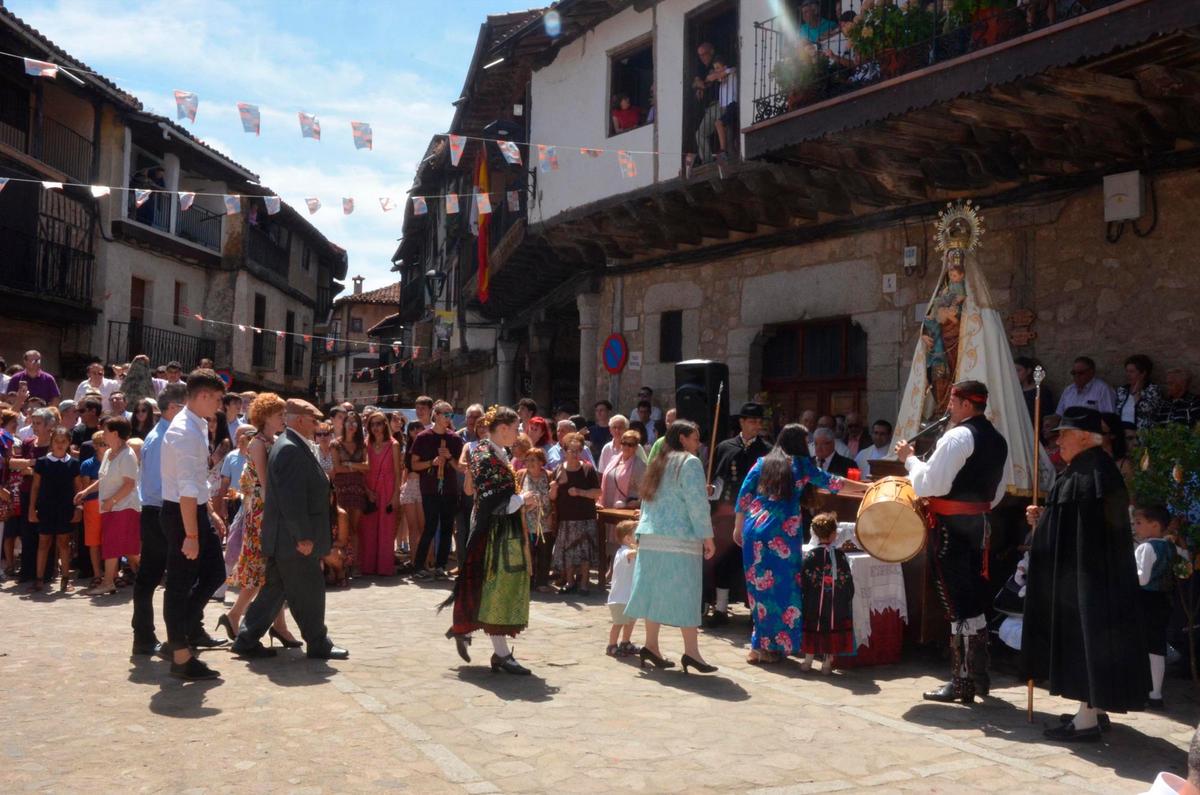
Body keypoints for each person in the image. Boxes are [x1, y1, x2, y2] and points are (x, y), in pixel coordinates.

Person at [1022, 406, 1149, 741]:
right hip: (1090, 578)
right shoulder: (1089, 470)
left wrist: (1044, 523)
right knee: (1090, 643)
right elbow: (1067, 527)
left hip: (1087, 580)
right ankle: (1092, 709)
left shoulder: (1090, 473)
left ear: (1082, 437)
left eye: (1063, 434)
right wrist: (1043, 520)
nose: (1058, 441)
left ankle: (1087, 720)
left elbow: (1081, 536)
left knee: (1088, 643)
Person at [895, 380, 1008, 704]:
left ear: (965, 405)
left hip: (952, 531)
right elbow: (997, 492)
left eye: (953, 402)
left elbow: (931, 485)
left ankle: (961, 683)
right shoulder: (998, 440)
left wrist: (909, 459)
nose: (948, 408)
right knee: (974, 600)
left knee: (957, 604)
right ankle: (978, 676)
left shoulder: (958, 436)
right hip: (981, 527)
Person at [734, 425, 862, 663]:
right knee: (784, 589)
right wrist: (865, 487)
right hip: (781, 530)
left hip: (754, 528)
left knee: (758, 591)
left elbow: (744, 494)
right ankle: (776, 645)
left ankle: (758, 647)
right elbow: (833, 482)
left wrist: (738, 526)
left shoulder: (763, 462)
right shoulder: (801, 465)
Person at [232, 400, 348, 662]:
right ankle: (319, 643)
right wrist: (303, 536)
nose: (318, 425)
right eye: (313, 420)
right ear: (300, 421)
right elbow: (291, 500)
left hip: (286, 539)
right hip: (293, 540)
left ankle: (246, 639)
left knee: (275, 590)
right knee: (310, 591)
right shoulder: (289, 449)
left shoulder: (291, 445)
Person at [441, 406, 532, 675]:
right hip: (492, 534)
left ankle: (494, 648)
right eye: (516, 428)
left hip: (502, 532)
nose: (518, 434)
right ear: (502, 428)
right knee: (494, 589)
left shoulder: (496, 452)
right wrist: (522, 500)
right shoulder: (484, 455)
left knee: (488, 589)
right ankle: (501, 653)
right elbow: (493, 500)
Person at [624, 420, 717, 674]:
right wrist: (707, 536)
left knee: (653, 592)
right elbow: (696, 503)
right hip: (680, 539)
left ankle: (651, 645)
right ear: (683, 439)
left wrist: (640, 534)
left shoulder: (658, 462)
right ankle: (691, 652)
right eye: (695, 439)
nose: (698, 444)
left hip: (653, 536)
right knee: (686, 593)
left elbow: (647, 502)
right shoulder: (689, 463)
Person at [160, 368, 232, 681]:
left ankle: (181, 633)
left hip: (193, 510)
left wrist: (209, 513)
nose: (219, 405)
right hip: (181, 513)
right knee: (178, 583)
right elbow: (186, 489)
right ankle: (179, 654)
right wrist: (191, 534)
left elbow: (196, 483)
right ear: (202, 395)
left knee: (214, 572)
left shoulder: (198, 424)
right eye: (216, 398)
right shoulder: (185, 432)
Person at [220, 394, 299, 647]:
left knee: (267, 572)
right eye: (279, 415)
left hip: (264, 511)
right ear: (265, 417)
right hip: (262, 513)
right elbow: (265, 486)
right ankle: (252, 621)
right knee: (262, 570)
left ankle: (268, 624)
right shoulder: (258, 444)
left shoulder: (271, 440)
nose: (283, 419)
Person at [129, 383, 187, 656]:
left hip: (157, 510)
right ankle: (147, 636)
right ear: (173, 408)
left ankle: (147, 636)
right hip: (159, 511)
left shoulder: (164, 435)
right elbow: (155, 485)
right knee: (153, 577)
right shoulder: (163, 438)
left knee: (152, 577)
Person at [709, 402, 773, 626]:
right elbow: (716, 478)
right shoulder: (725, 447)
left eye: (759, 422)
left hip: (756, 515)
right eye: (752, 421)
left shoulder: (767, 450)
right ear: (742, 422)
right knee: (725, 560)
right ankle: (720, 608)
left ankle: (755, 614)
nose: (757, 425)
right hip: (727, 513)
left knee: (755, 563)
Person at [75, 416, 141, 596]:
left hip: (124, 507)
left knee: (113, 544)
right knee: (127, 547)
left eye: (105, 430)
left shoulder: (127, 455)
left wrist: (112, 501)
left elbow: (129, 484)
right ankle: (147, 573)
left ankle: (108, 582)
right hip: (109, 507)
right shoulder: (107, 453)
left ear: (115, 433)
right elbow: (102, 479)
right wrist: (86, 491)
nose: (102, 433)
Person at [411, 401, 465, 580]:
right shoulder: (423, 437)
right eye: (446, 414)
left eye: (451, 415)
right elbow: (414, 464)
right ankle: (419, 565)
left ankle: (441, 566)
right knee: (430, 526)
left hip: (449, 489)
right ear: (437, 415)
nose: (449, 418)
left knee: (447, 527)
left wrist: (449, 458)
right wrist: (431, 462)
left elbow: (460, 467)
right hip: (430, 489)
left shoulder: (455, 439)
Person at [799, 512, 855, 674]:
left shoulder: (810, 556)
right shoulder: (840, 556)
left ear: (815, 533)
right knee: (830, 629)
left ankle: (808, 661)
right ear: (833, 534)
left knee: (813, 626)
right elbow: (847, 581)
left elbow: (803, 580)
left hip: (813, 602)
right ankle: (826, 664)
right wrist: (845, 598)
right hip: (834, 605)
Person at [1134, 505, 1176, 711]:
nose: (1135, 526)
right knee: (1157, 648)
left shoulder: (1146, 547)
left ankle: (1141, 689)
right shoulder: (1169, 546)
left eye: (1139, 522)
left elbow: (1142, 578)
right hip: (1163, 600)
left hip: (1145, 601)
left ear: (1155, 525)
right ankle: (1156, 694)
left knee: (1143, 645)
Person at [28, 426, 79, 592]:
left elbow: (78, 488)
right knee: (44, 542)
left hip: (65, 508)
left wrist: (79, 508)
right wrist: (31, 508)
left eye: (63, 441)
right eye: (56, 441)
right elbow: (35, 487)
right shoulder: (42, 462)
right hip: (46, 508)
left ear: (68, 443)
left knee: (64, 543)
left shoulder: (73, 464)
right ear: (51, 442)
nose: (59, 444)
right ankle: (39, 578)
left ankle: (65, 579)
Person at [550, 432, 601, 595]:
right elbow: (552, 497)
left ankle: (584, 584)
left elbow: (597, 492)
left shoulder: (587, 469)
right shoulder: (558, 470)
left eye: (578, 450)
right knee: (568, 552)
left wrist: (580, 492)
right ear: (564, 451)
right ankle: (570, 582)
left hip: (585, 517)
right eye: (571, 450)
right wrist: (553, 489)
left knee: (585, 552)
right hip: (565, 518)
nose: (574, 454)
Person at [359, 411, 401, 576]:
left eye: (379, 423)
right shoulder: (365, 444)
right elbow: (362, 472)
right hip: (370, 487)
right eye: (372, 424)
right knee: (368, 529)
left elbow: (398, 472)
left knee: (386, 529)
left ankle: (384, 567)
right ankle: (368, 567)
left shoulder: (394, 444)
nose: (376, 427)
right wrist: (367, 491)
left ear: (385, 424)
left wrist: (395, 495)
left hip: (388, 488)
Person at [331, 410, 368, 573]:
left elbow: (368, 467)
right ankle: (342, 563)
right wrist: (356, 467)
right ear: (343, 424)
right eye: (349, 422)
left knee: (354, 527)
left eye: (355, 422)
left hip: (357, 489)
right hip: (341, 489)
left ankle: (354, 565)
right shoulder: (335, 444)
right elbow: (337, 468)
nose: (352, 425)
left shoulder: (363, 444)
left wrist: (350, 465)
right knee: (342, 528)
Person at [516, 446, 554, 593]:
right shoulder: (520, 475)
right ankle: (529, 581)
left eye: (533, 460)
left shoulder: (549, 475)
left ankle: (542, 582)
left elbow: (554, 498)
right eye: (527, 460)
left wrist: (552, 514)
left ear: (541, 462)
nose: (529, 463)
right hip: (526, 520)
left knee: (544, 552)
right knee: (528, 552)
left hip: (545, 520)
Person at [606, 520, 640, 657]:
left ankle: (625, 642)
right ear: (627, 538)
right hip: (619, 598)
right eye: (637, 535)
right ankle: (611, 645)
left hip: (630, 597)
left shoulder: (630, 550)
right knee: (618, 623)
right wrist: (643, 547)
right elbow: (631, 554)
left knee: (630, 621)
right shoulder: (623, 551)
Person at [78, 429, 104, 589]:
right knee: (94, 541)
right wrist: (102, 482)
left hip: (111, 504)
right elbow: (86, 486)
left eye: (107, 444)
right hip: (92, 505)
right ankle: (97, 574)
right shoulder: (87, 464)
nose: (105, 447)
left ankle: (112, 574)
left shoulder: (114, 460)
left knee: (109, 540)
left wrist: (98, 481)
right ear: (95, 446)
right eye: (101, 444)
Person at [1116, 354, 1165, 431]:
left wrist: (1136, 394)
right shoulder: (1122, 390)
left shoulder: (1152, 390)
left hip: (1142, 434)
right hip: (1122, 433)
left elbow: (1149, 411)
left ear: (1143, 373)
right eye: (1127, 371)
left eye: (1132, 372)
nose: (1128, 375)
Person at [398, 421, 424, 566]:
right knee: (412, 528)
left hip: (422, 487)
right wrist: (402, 486)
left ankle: (425, 560)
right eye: (412, 429)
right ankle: (414, 560)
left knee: (423, 527)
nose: (415, 431)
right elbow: (405, 470)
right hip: (409, 487)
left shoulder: (427, 448)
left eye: (418, 428)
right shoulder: (407, 450)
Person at [600, 430, 646, 509]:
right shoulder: (613, 459)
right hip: (606, 507)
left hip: (625, 509)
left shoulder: (640, 465)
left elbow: (646, 490)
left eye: (630, 444)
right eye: (624, 443)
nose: (626, 447)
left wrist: (638, 502)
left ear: (636, 447)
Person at [691, 42, 719, 164]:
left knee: (723, 128)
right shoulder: (702, 67)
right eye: (700, 55)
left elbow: (710, 78)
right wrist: (700, 85)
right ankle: (707, 161)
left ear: (711, 52)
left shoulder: (718, 61)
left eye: (704, 54)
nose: (702, 58)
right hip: (710, 107)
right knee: (700, 134)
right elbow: (695, 83)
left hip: (721, 103)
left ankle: (727, 154)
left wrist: (702, 83)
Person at [709, 54, 737, 160]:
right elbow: (710, 78)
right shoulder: (721, 79)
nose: (716, 71)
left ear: (724, 67)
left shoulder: (732, 71)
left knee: (718, 123)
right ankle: (728, 150)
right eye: (714, 68)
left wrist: (719, 74)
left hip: (733, 104)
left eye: (718, 68)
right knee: (726, 130)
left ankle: (723, 150)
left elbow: (730, 70)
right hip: (727, 107)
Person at [1015, 356, 1055, 423]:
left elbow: (1047, 415)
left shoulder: (1042, 392)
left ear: (1028, 371)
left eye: (1018, 370)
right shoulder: (1016, 392)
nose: (1015, 374)